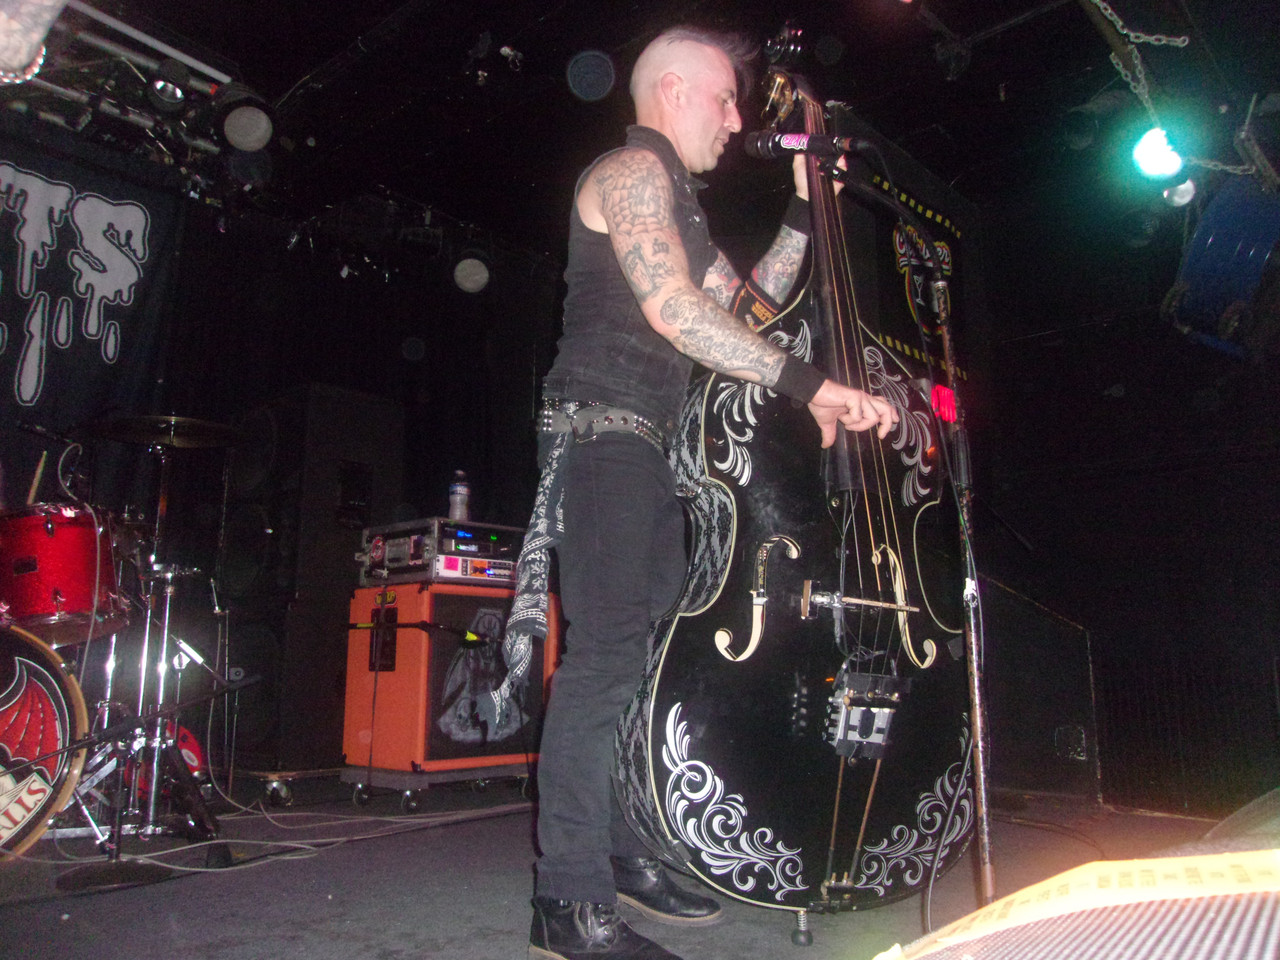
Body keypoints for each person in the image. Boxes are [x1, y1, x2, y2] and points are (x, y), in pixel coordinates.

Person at [527, 25, 897, 960]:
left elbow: (754, 305)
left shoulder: (677, 205)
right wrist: (810, 387)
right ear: (675, 89)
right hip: (600, 436)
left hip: (648, 449)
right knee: (606, 661)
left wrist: (807, 204)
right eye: (726, 98)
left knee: (643, 661)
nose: (736, 121)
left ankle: (621, 851)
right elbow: (675, 310)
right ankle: (567, 902)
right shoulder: (629, 172)